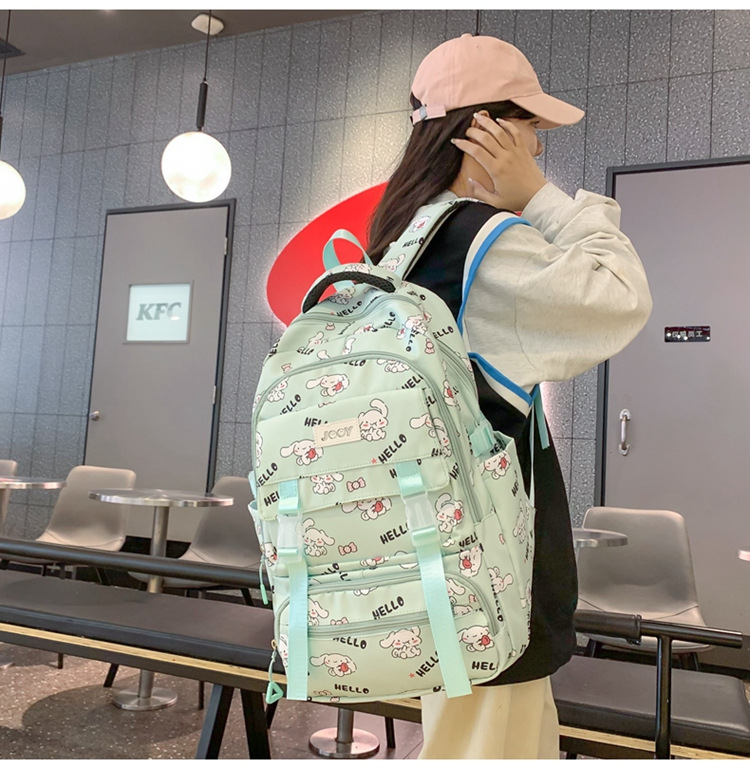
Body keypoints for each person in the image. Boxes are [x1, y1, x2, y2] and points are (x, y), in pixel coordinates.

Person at [366, 33, 653, 759]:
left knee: (460, 738)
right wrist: (541, 199)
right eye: (530, 125)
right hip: (489, 567)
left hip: (423, 550)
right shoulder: (483, 245)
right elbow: (619, 297)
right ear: (486, 130)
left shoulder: (399, 239)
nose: (538, 144)